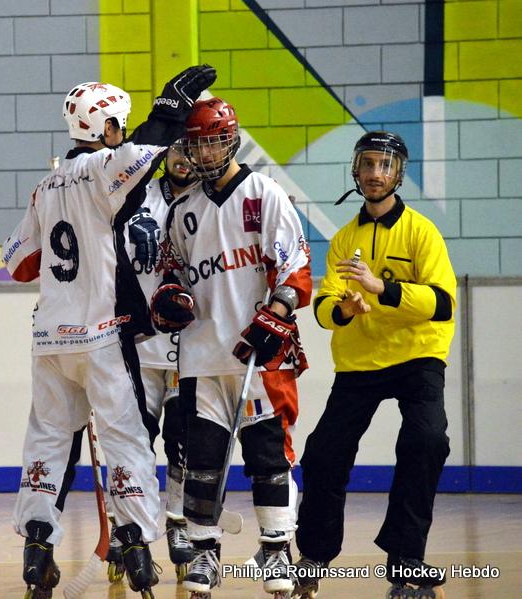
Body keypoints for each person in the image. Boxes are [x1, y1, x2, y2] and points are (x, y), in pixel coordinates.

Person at [2, 66, 217, 599]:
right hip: (101, 335)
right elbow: (149, 148)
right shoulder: (106, 167)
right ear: (110, 128)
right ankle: (137, 547)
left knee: (48, 440)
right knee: (127, 438)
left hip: (50, 341)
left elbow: (18, 264)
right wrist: (170, 105)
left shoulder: (44, 186)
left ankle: (37, 546)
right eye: (120, 124)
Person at [150, 97, 312, 597]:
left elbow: (295, 267)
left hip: (259, 355)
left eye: (214, 142)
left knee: (268, 457)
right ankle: (204, 551)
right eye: (196, 144)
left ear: (232, 140)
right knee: (201, 460)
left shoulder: (265, 195)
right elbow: (171, 272)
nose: (204, 153)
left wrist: (277, 312)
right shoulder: (182, 210)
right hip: (202, 357)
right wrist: (170, 296)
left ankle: (277, 547)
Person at [292, 131, 455, 599]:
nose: (375, 173)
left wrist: (382, 290)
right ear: (356, 170)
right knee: (323, 453)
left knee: (426, 441)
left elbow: (443, 303)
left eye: (385, 165)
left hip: (417, 356)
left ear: (398, 174)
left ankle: (406, 561)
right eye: (367, 164)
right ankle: (315, 556)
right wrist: (343, 309)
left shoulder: (421, 232)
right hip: (360, 362)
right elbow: (324, 307)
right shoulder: (345, 238)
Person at [105, 144, 200, 585]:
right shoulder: (136, 196)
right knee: (133, 441)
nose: (184, 158)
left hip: (192, 346)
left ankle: (178, 520)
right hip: (139, 346)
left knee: (184, 439)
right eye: (177, 148)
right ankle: (124, 521)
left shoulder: (210, 203)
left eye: (192, 149)